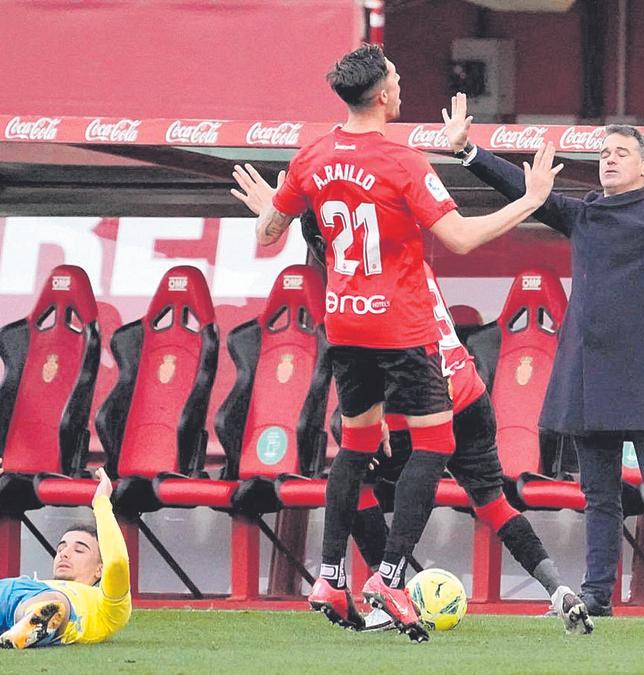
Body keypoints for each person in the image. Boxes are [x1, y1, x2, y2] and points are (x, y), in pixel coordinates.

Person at [230, 44, 561, 642]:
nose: (402, 87)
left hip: (344, 325)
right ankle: (386, 576)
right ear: (382, 94)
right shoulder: (403, 161)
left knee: (354, 447)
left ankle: (330, 576)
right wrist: (530, 201)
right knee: (436, 441)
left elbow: (270, 232)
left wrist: (268, 210)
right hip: (400, 327)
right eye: (398, 80)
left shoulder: (312, 155)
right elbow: (459, 239)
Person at [441, 93, 644, 618]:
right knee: (599, 496)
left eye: (620, 152)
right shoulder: (583, 213)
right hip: (586, 372)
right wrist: (468, 152)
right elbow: (527, 190)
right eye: (604, 152)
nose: (608, 159)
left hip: (643, 374)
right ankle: (596, 595)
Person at [345, 262, 593, 635]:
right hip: (469, 392)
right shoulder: (417, 262)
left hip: (423, 403)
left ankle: (388, 593)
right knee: (493, 503)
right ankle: (558, 590)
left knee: (354, 481)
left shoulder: (368, 277)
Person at [0, 459, 130, 648]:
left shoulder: (109, 605)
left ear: (99, 569)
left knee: (52, 601)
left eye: (79, 549)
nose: (65, 553)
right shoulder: (3, 583)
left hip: (49, 602)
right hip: (5, 592)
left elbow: (118, 562)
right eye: (62, 547)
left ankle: (31, 624)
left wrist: (101, 503)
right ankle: (22, 629)